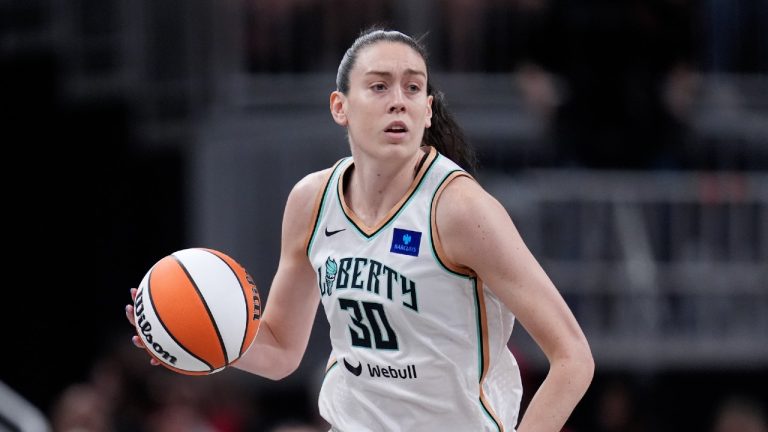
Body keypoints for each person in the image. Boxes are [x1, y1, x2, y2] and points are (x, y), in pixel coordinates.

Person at [126, 28, 594, 431]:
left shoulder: (460, 210)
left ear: (428, 110)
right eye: (379, 86)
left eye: (413, 89)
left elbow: (573, 358)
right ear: (340, 107)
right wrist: (201, 341)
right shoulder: (312, 201)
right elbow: (282, 351)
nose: (399, 101)